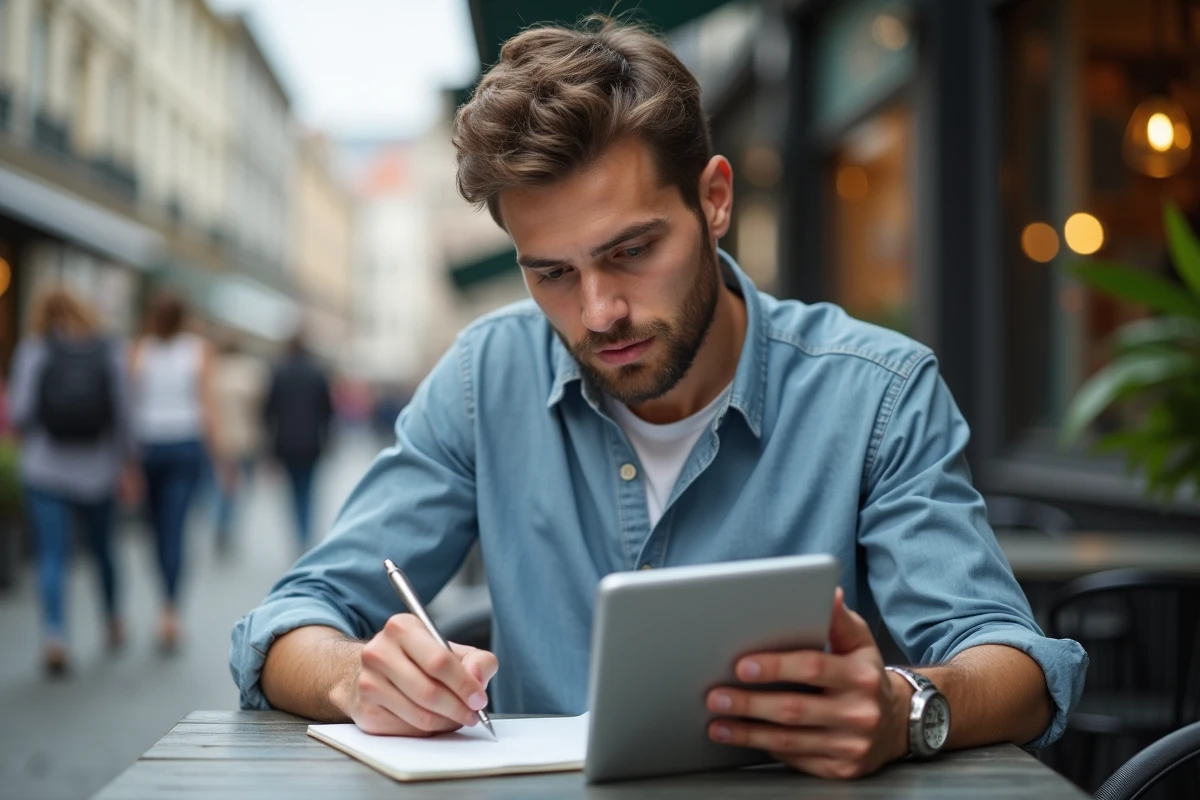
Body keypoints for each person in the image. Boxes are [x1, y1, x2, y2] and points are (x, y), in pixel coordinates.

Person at [231, 18, 1087, 779]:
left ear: (715, 200)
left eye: (633, 251)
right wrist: (355, 675)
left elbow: (1018, 667)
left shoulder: (877, 392)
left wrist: (905, 711)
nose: (599, 312)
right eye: (552, 274)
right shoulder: (482, 378)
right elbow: (287, 625)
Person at [8, 287, 136, 675]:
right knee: (103, 552)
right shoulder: (108, 349)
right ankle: (113, 618)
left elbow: (21, 412)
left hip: (46, 469)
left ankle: (55, 637)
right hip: (98, 470)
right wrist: (128, 464)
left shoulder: (34, 349)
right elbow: (124, 413)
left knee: (52, 555)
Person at [132, 291, 223, 652]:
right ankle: (170, 608)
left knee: (156, 529)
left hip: (148, 447)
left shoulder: (139, 350)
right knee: (174, 528)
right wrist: (222, 457)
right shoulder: (198, 350)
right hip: (186, 445)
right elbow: (207, 406)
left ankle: (166, 602)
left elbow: (130, 406)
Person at [263, 333, 333, 552]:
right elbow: (327, 411)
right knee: (307, 490)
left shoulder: (279, 372)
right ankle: (304, 534)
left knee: (293, 491)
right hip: (311, 442)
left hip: (285, 442)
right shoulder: (317, 373)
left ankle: (299, 534)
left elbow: (268, 410)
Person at [211, 334, 268, 555]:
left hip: (220, 439)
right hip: (247, 439)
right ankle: (229, 524)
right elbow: (261, 407)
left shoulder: (213, 370)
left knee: (221, 486)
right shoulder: (251, 372)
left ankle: (222, 523)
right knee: (243, 487)